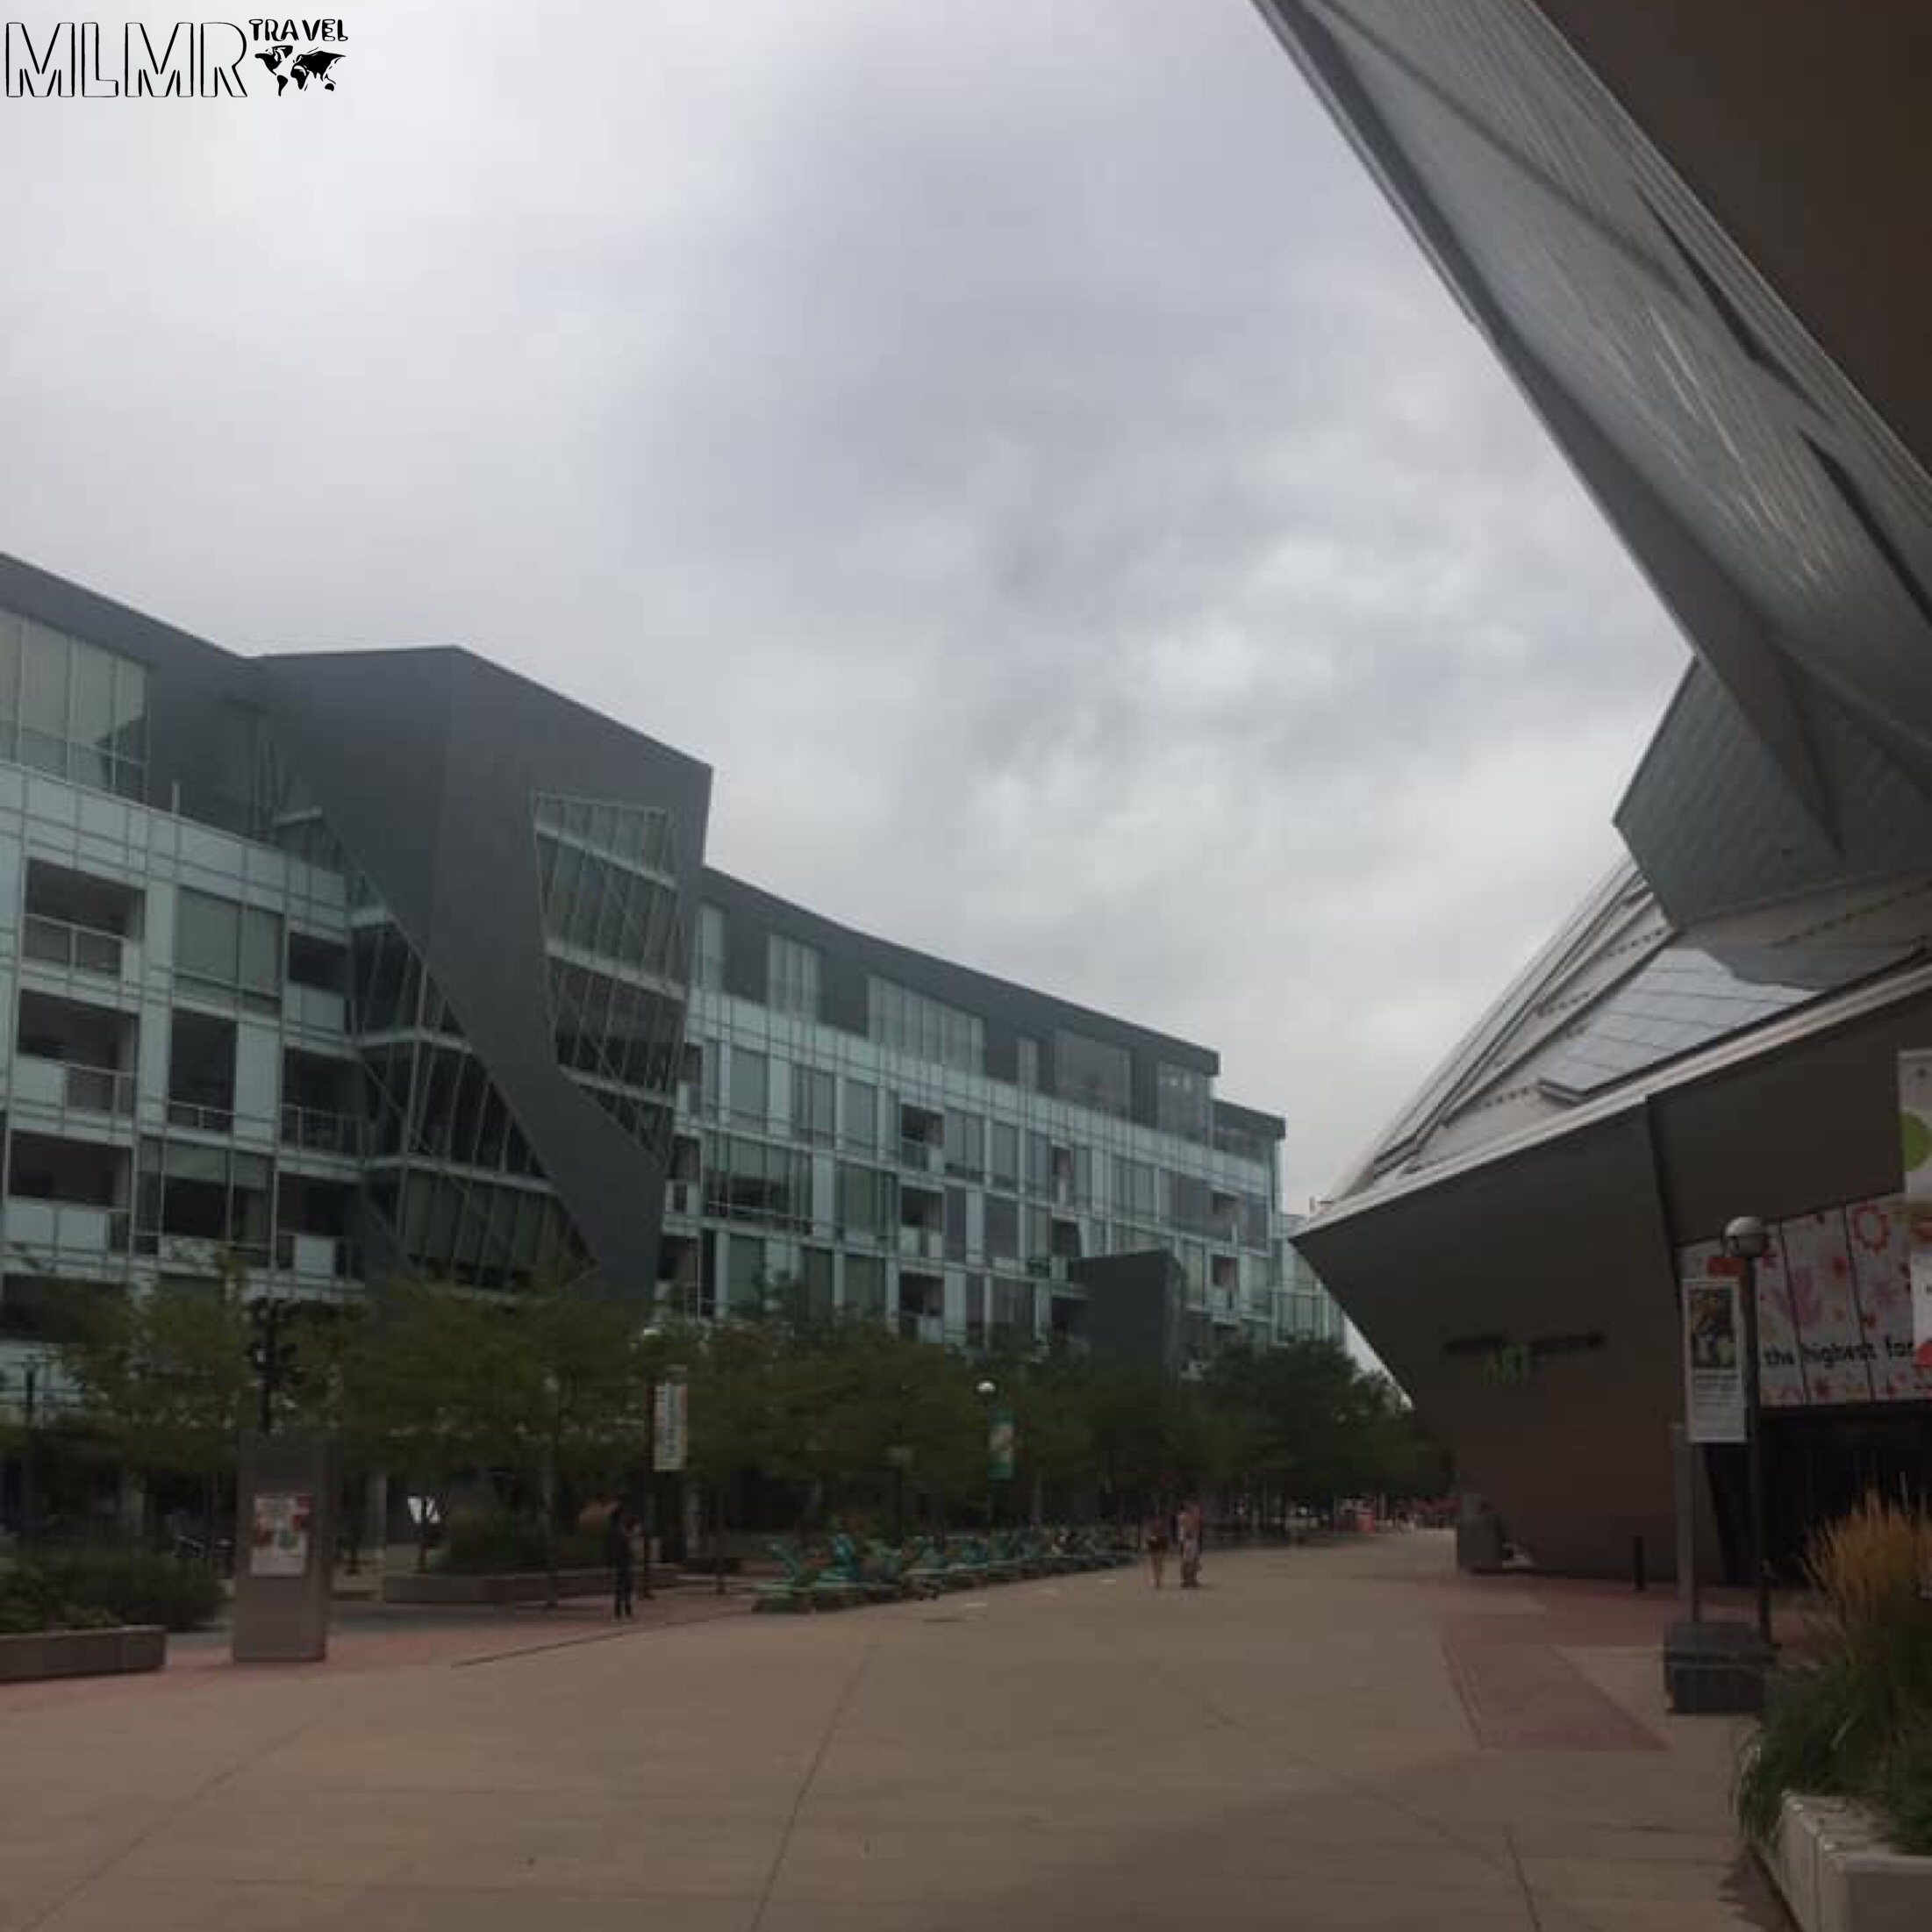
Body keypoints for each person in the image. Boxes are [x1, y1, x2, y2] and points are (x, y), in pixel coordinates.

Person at [605, 1502, 635, 1621]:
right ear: (619, 1517)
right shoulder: (616, 1531)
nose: (626, 1517)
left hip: (625, 1561)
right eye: (624, 1515)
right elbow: (614, 1548)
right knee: (622, 1586)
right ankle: (620, 1610)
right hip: (621, 1562)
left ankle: (625, 1609)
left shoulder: (623, 1529)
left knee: (626, 1586)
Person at [1179, 1499, 1204, 1589]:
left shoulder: (1194, 1515)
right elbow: (1188, 1528)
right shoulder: (1183, 1516)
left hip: (1194, 1540)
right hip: (1187, 1540)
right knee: (1186, 1561)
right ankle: (1186, 1580)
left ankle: (1192, 1579)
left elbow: (1197, 1526)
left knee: (1194, 1560)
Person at [1143, 1510, 1170, 1589]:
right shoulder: (1150, 1524)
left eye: (1158, 1518)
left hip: (1161, 1542)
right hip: (1153, 1543)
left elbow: (1166, 1534)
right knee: (1154, 1562)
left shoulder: (1163, 1525)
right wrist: (1150, 1538)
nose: (1157, 1520)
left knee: (1159, 1562)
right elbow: (1147, 1534)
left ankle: (1158, 1579)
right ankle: (1156, 1578)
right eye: (1156, 1518)